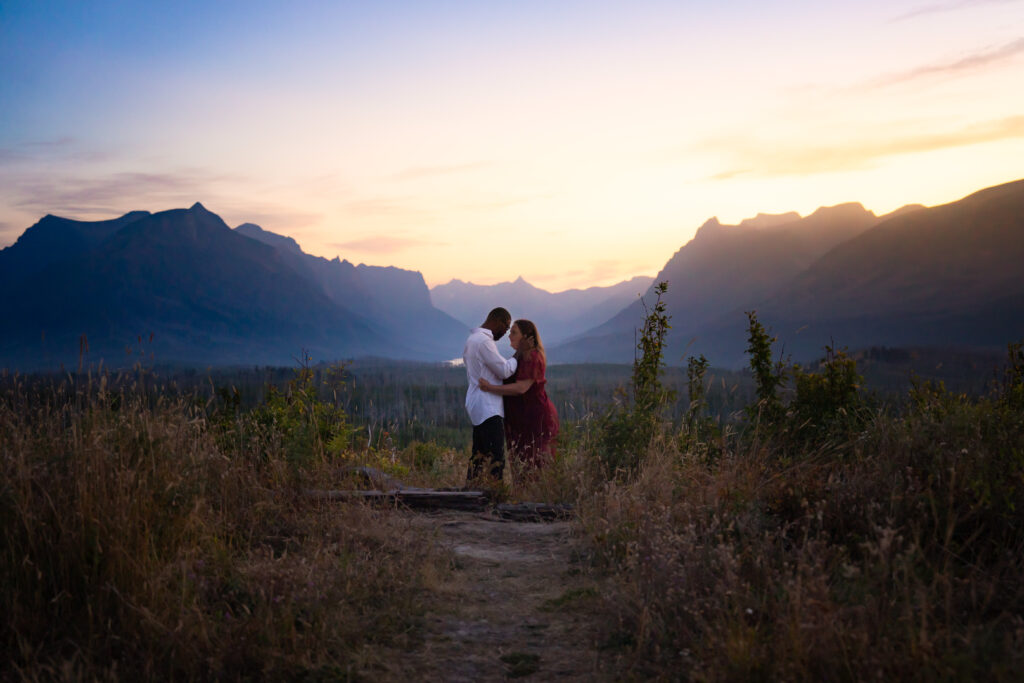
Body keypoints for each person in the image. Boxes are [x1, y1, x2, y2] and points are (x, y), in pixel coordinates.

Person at [478, 319, 559, 479]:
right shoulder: (523, 356)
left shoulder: (533, 357)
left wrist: (490, 388)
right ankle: (524, 498)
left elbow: (521, 388)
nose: (509, 336)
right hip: (522, 419)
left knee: (535, 463)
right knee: (522, 463)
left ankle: (535, 499)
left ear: (526, 336)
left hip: (535, 419)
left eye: (514, 332)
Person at [463, 307, 518, 485]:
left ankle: (471, 491)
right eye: (506, 326)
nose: (505, 332)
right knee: (496, 457)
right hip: (488, 407)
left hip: (477, 404)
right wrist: (519, 355)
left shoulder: (472, 339)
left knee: (478, 455)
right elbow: (503, 370)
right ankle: (495, 495)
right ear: (496, 321)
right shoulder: (484, 342)